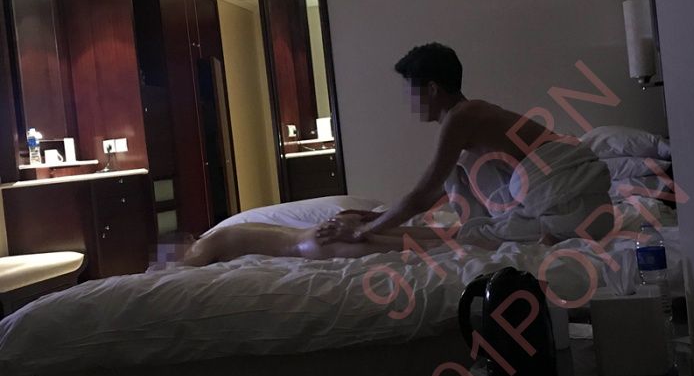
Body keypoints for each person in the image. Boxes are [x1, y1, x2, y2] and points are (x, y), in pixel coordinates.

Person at [317, 42, 613, 249]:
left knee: (466, 234)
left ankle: (369, 240)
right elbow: (435, 193)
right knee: (462, 191)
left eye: (410, 91)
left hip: (574, 208)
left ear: (432, 89)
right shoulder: (470, 118)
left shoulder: (462, 117)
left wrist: (364, 230)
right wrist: (380, 218)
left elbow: (422, 194)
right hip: (574, 210)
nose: (407, 101)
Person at [182, 213, 444, 266]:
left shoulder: (204, 244)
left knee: (423, 247)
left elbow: (187, 265)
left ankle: (459, 241)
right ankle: (459, 232)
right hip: (323, 228)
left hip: (313, 244)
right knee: (429, 238)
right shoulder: (230, 228)